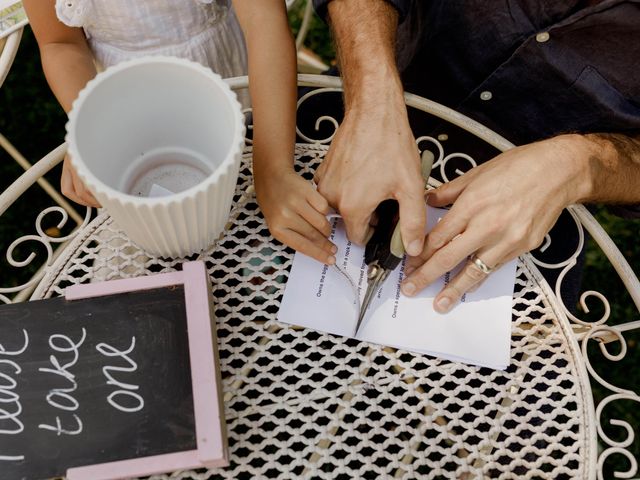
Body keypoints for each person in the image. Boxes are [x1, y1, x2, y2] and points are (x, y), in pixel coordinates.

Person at [312, 0, 640, 312]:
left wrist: (580, 165)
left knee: (523, 370)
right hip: (348, 115)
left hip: (531, 218)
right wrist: (372, 99)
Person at [24, 0, 337, 265]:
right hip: (130, 116)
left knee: (251, 215)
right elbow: (60, 43)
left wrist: (273, 171)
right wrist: (87, 119)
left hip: (241, 90)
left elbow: (262, 17)